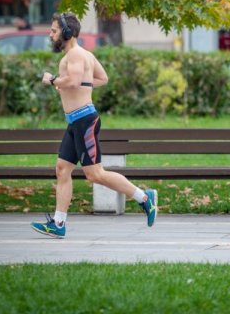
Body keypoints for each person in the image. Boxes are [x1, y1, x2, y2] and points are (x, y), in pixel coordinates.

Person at [30, 13, 157, 238]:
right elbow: (101, 78)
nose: (50, 35)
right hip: (75, 121)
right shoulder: (84, 55)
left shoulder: (75, 55)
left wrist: (53, 80)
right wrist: (74, 86)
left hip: (84, 121)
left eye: (54, 31)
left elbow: (74, 81)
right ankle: (58, 224)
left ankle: (145, 198)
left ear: (67, 33)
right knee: (62, 168)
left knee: (95, 174)